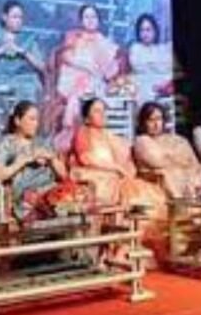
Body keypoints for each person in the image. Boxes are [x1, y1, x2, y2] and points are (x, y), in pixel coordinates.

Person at [70, 98, 167, 262]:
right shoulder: (83, 133)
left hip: (115, 178)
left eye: (104, 110)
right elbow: (87, 158)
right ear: (87, 118)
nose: (102, 114)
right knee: (127, 197)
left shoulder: (110, 136)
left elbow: (125, 159)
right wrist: (116, 168)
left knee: (147, 199)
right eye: (97, 111)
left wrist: (125, 168)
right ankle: (115, 250)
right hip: (96, 180)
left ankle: (124, 248)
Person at [55, 4, 120, 150]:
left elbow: (108, 71)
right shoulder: (73, 37)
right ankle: (70, 142)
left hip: (95, 83)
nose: (90, 20)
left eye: (93, 17)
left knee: (89, 100)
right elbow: (65, 58)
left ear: (99, 20)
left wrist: (103, 71)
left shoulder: (104, 42)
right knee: (74, 101)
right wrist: (85, 66)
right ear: (81, 20)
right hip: (73, 81)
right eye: (86, 17)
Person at [0, 100, 66, 221]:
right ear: (17, 121)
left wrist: (51, 158)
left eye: (37, 120)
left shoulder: (42, 142)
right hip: (26, 196)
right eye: (31, 119)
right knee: (34, 201)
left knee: (67, 199)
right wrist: (22, 161)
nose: (36, 124)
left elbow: (63, 175)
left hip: (51, 193)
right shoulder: (7, 143)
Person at [133, 102, 201, 199]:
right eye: (151, 120)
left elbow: (191, 160)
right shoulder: (142, 141)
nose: (156, 124)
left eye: (159, 119)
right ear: (143, 122)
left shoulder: (176, 139)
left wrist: (171, 157)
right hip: (166, 182)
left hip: (190, 176)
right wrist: (178, 159)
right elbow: (157, 161)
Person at [0, 0, 45, 103]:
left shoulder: (28, 38)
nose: (18, 21)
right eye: (14, 17)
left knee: (28, 89)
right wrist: (0, 50)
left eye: (20, 18)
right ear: (4, 17)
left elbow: (42, 66)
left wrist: (23, 52)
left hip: (23, 81)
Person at [128, 14, 172, 105]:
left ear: (155, 30)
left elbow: (167, 71)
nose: (145, 34)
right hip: (142, 91)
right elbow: (138, 66)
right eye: (142, 30)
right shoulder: (135, 48)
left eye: (148, 30)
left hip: (163, 92)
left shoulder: (163, 49)